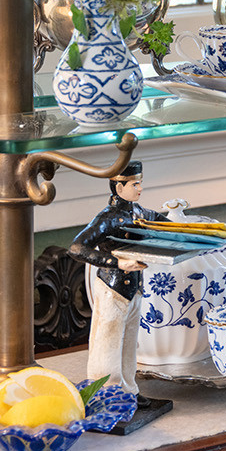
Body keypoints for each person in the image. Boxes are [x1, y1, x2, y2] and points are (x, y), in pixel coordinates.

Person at [71, 161, 169, 396]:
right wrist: (117, 262)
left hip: (135, 289)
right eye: (135, 184)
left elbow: (165, 225)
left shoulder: (139, 212)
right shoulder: (107, 218)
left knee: (129, 344)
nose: (140, 188)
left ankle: (129, 391)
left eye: (140, 183)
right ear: (119, 187)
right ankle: (106, 393)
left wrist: (190, 232)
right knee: (108, 344)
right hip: (112, 288)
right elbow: (76, 248)